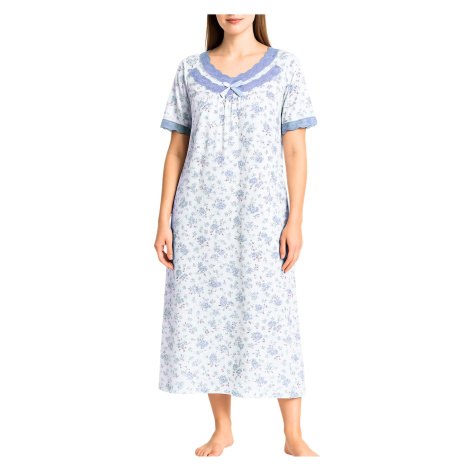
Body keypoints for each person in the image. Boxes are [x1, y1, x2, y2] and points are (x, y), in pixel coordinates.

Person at [155, 14, 318, 457]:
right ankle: (222, 430)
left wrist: (295, 220)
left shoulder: (285, 67)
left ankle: (293, 435)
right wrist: (164, 219)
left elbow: (295, 148)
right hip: (198, 218)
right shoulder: (190, 70)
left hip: (262, 218)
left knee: (275, 317)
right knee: (209, 318)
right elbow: (176, 149)